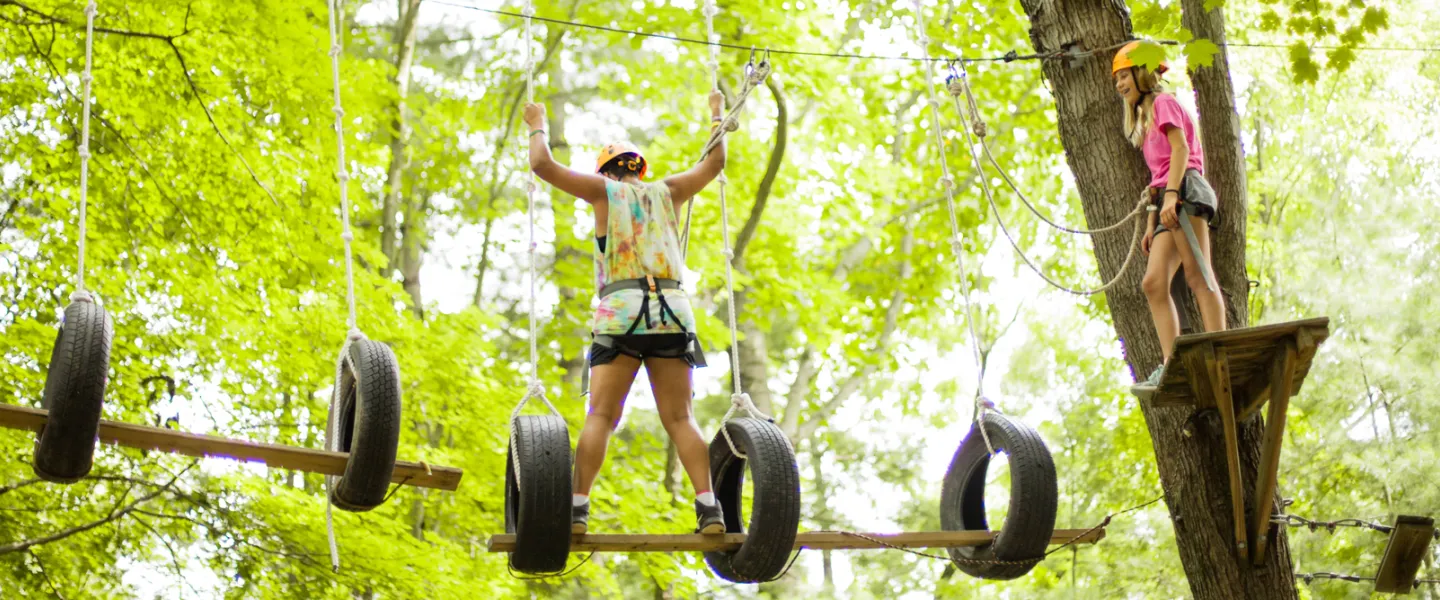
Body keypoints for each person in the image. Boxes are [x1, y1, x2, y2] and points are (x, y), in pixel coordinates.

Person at [522, 90, 729, 534]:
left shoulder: (602, 193)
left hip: (621, 311)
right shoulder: (670, 191)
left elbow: (542, 166)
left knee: (601, 415)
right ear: (639, 169)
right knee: (680, 418)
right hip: (672, 313)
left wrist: (537, 123)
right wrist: (715, 115)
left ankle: (577, 509)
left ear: (607, 171)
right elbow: (714, 165)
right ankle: (710, 508)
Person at [1112, 41, 1227, 392]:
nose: (1119, 85)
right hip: (1165, 200)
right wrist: (1151, 221)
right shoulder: (1147, 120)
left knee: (1197, 274)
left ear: (1143, 73)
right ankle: (1170, 363)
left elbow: (1181, 149)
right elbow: (1157, 177)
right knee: (1153, 282)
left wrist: (1174, 194)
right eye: (1116, 79)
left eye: (1124, 75)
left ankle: (1220, 351)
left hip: (1185, 191)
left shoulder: (1164, 103)